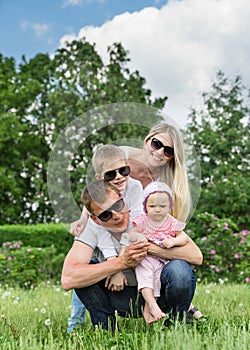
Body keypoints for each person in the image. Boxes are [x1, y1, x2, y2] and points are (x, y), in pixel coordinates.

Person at [61, 179, 203, 331]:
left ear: (122, 197)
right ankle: (106, 330)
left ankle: (178, 323)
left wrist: (148, 247)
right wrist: (120, 264)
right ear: (95, 219)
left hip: (160, 292)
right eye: (105, 215)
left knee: (179, 268)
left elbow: (196, 256)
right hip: (120, 296)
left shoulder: (148, 214)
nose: (116, 215)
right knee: (84, 272)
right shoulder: (91, 229)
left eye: (117, 205)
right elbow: (69, 278)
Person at [67, 145, 144, 332]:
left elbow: (133, 227)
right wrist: (83, 219)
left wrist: (120, 265)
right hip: (106, 245)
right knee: (85, 268)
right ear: (100, 179)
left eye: (123, 170)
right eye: (111, 174)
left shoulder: (134, 187)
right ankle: (76, 323)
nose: (119, 177)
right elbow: (92, 202)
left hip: (127, 242)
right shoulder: (98, 208)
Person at [125, 181, 188, 324]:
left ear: (170, 206)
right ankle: (153, 306)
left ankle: (149, 309)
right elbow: (131, 234)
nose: (157, 209)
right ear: (145, 207)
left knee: (156, 282)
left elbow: (183, 237)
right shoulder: (143, 221)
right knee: (145, 276)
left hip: (162, 260)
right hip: (145, 258)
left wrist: (173, 242)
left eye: (162, 206)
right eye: (152, 206)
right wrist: (139, 237)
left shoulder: (171, 222)